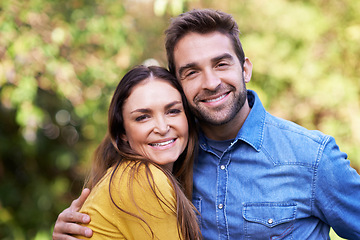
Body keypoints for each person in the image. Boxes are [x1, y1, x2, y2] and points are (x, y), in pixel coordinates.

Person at [53, 9, 360, 240]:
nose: (211, 82)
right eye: (191, 72)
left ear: (245, 68)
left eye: (221, 63)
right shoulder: (169, 158)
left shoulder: (312, 157)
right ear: (179, 83)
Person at [57, 65, 201, 239]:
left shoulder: (128, 175)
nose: (162, 128)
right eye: (143, 117)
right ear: (122, 132)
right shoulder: (144, 179)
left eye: (173, 111)